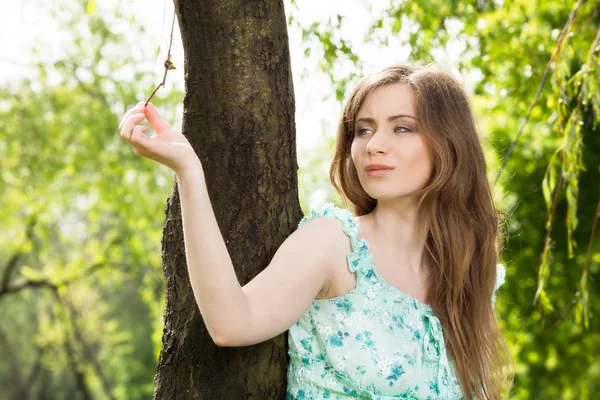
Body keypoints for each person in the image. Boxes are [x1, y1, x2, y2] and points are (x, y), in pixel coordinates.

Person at [119, 63, 511, 399]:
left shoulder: (471, 267)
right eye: (364, 129)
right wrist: (188, 169)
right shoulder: (334, 243)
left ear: (449, 144)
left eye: (402, 128)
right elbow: (231, 322)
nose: (374, 145)